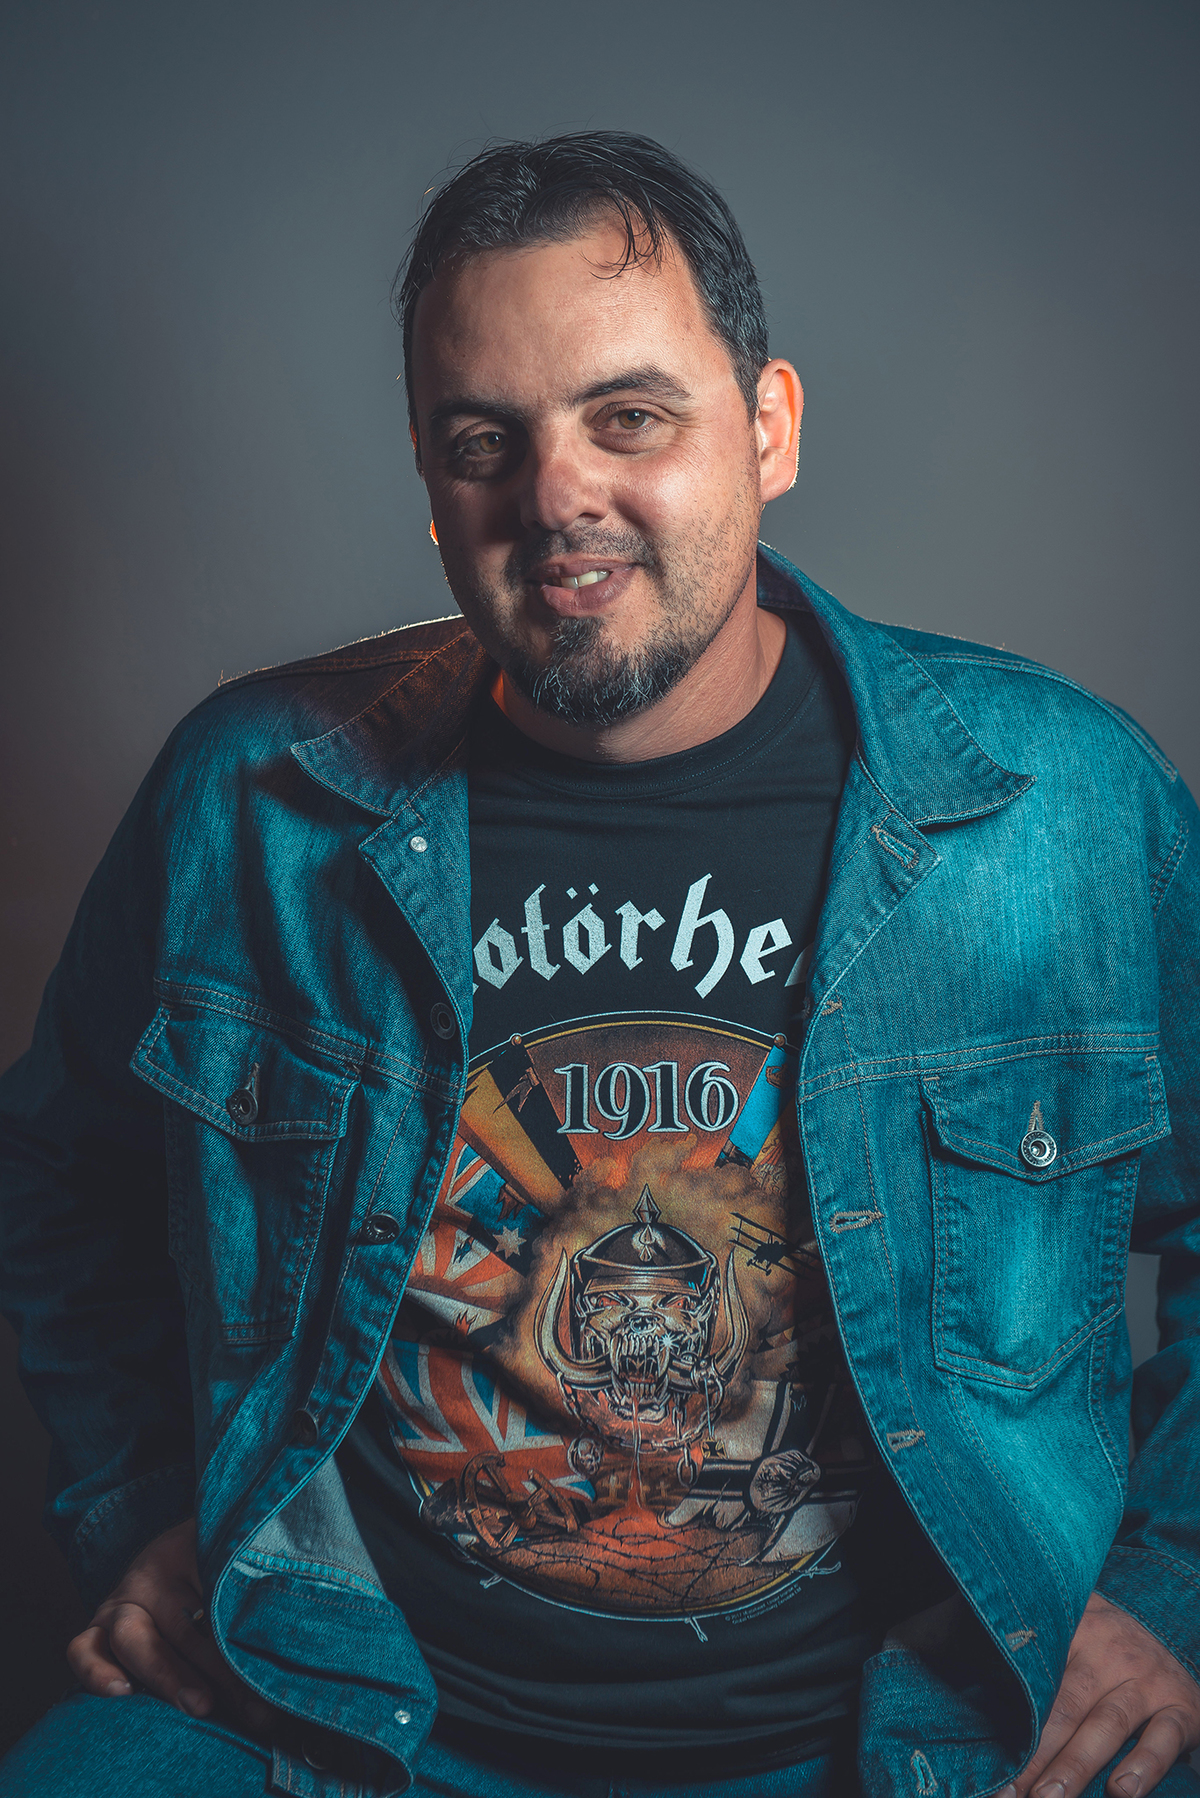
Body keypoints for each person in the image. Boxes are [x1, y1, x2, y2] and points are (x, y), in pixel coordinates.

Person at [1, 131, 1198, 1798]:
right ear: (430, 482)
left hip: (927, 1737)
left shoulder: (1060, 807)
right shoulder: (250, 801)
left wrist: (1171, 1591)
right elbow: (57, 1173)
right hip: (352, 1723)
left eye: (629, 416)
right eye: (484, 439)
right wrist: (132, 1514)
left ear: (768, 427)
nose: (558, 496)